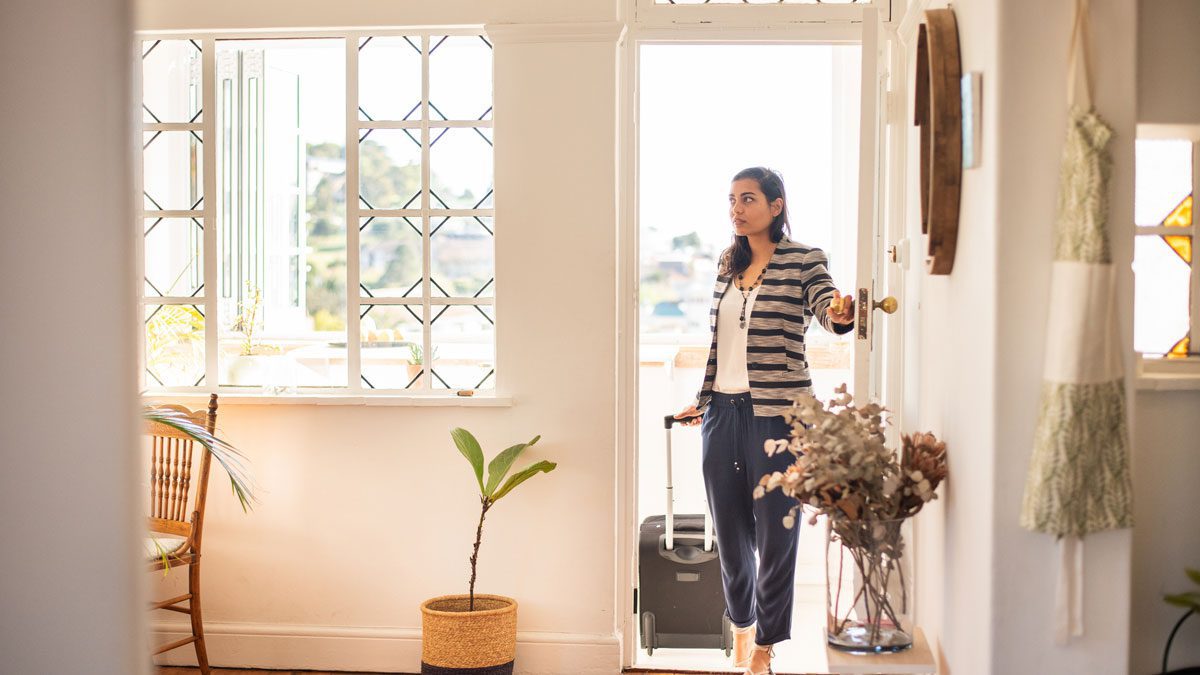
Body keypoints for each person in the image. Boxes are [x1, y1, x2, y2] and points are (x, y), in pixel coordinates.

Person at [673, 167, 855, 675]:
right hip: (722, 414)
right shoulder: (727, 265)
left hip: (779, 418)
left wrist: (840, 314)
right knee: (729, 534)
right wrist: (704, 398)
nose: (736, 208)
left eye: (748, 198)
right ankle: (742, 626)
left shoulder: (804, 259)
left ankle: (766, 645)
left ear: (776, 206)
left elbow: (827, 307)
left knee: (776, 534)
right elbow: (721, 345)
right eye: (731, 199)